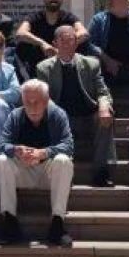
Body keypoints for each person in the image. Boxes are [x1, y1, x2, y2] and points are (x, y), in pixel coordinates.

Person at [0, 79, 75, 247]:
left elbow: (68, 146)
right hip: (23, 171)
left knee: (64, 160)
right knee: (1, 160)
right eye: (27, 102)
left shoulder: (58, 114)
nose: (32, 107)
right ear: (22, 101)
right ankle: (9, 221)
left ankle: (58, 224)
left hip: (49, 174)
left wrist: (44, 152)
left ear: (46, 101)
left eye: (36, 102)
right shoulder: (15, 115)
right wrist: (16, 150)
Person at [37, 25, 115, 187]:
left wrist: (103, 106)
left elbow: (103, 91)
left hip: (88, 114)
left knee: (106, 117)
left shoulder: (91, 64)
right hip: (63, 117)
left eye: (71, 40)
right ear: (55, 43)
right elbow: (44, 98)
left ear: (76, 43)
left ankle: (101, 172)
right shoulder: (44, 68)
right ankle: (64, 173)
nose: (67, 44)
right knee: (50, 118)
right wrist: (58, 115)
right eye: (63, 41)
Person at [13, 0, 90, 80]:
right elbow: (20, 34)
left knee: (85, 44)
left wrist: (64, 45)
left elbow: (84, 33)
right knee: (22, 45)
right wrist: (42, 44)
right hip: (37, 65)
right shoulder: (35, 17)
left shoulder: (68, 17)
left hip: (63, 63)